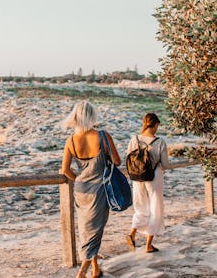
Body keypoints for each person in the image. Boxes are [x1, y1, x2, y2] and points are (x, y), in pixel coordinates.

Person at [61, 101, 121, 278]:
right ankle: (82, 272)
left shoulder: (71, 140)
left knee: (87, 229)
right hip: (99, 190)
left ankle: (95, 269)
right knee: (95, 231)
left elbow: (65, 170)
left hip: (80, 190)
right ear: (92, 116)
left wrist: (80, 179)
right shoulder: (103, 136)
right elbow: (117, 161)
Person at [125, 113, 169, 253]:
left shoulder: (134, 139)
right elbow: (165, 164)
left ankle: (132, 233)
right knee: (155, 208)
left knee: (141, 207)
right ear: (155, 124)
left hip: (137, 177)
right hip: (154, 176)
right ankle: (148, 245)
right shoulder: (160, 142)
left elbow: (128, 158)